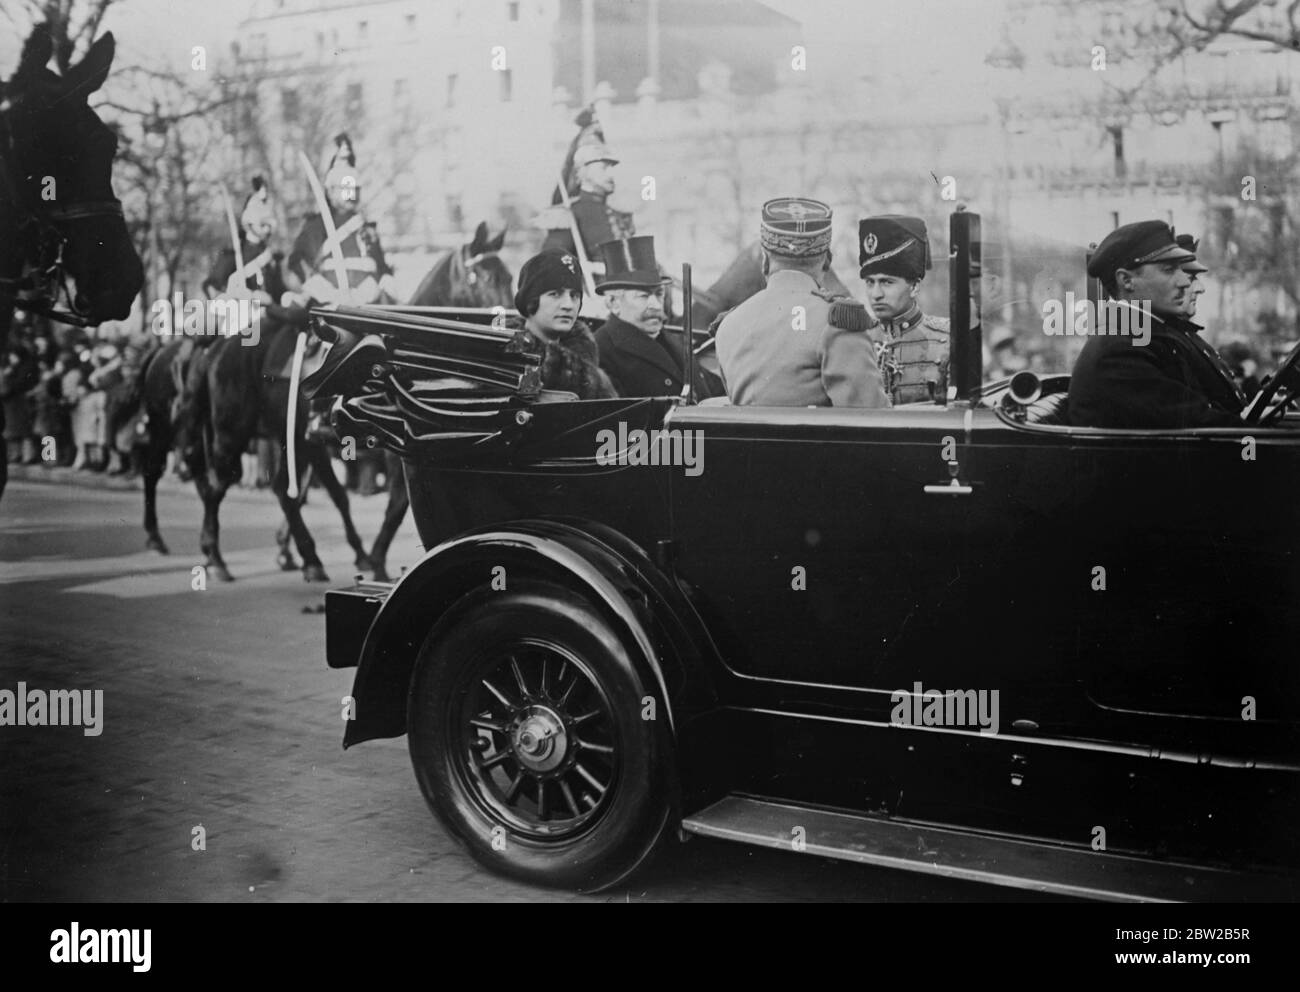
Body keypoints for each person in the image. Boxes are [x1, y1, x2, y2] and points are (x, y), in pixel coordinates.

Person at [1068, 220, 1244, 429]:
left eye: (1181, 269)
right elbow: (1203, 427)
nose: (1185, 281)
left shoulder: (1143, 337)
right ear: (1126, 280)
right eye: (1169, 270)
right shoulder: (1120, 350)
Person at [714, 198, 888, 408]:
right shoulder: (837, 323)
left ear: (765, 260)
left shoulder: (729, 325)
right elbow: (872, 422)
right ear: (827, 261)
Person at [592, 236, 721, 399]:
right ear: (613, 303)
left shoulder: (673, 342)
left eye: (659, 294)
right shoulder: (600, 353)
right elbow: (619, 421)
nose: (655, 305)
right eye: (643, 296)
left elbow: (716, 389)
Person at [859, 215, 950, 404]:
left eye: (886, 282)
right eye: (870, 282)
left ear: (915, 286)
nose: (876, 294)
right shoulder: (856, 340)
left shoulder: (948, 339)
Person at [505, 250, 617, 400]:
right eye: (555, 294)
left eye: (574, 295)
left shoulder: (587, 362)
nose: (568, 305)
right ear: (530, 300)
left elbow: (620, 423)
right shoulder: (502, 357)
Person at [541, 143, 634, 270]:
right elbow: (552, 261)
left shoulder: (617, 214)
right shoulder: (567, 214)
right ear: (582, 171)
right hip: (592, 288)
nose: (611, 174)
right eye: (604, 168)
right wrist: (590, 268)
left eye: (612, 168)